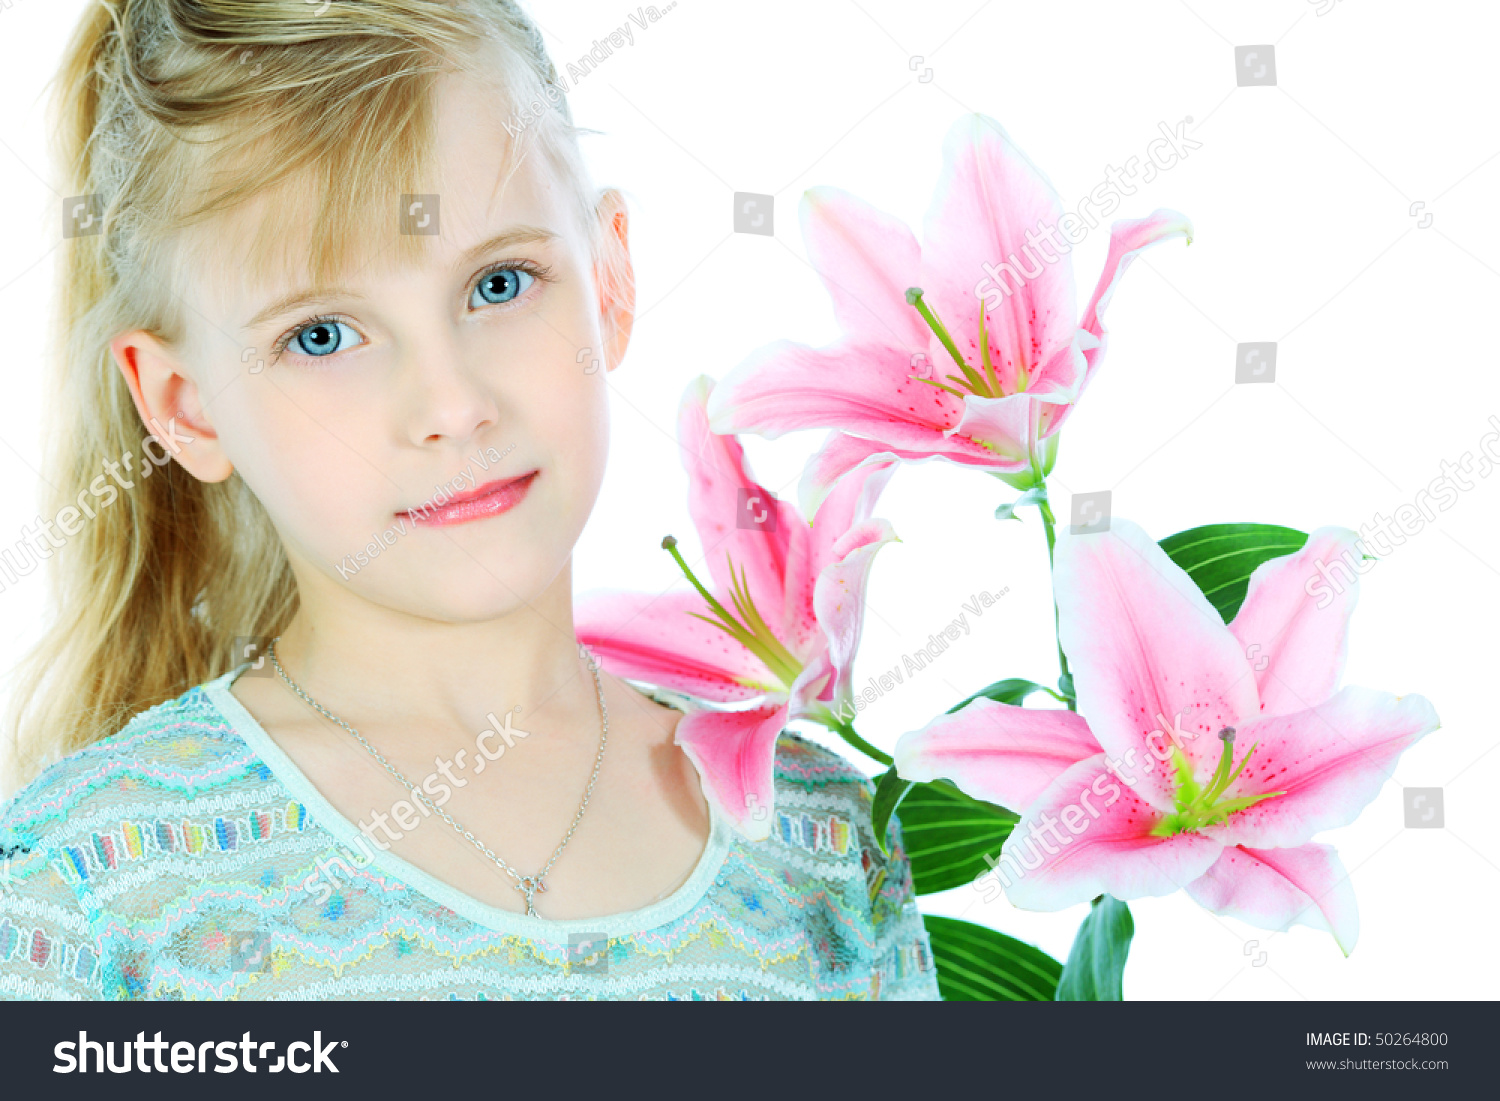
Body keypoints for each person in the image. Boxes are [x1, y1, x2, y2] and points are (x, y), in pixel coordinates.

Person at [0, 0, 938, 1001]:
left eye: (499, 283)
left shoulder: (827, 842)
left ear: (610, 279)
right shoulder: (95, 884)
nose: (452, 406)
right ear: (186, 408)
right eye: (321, 336)